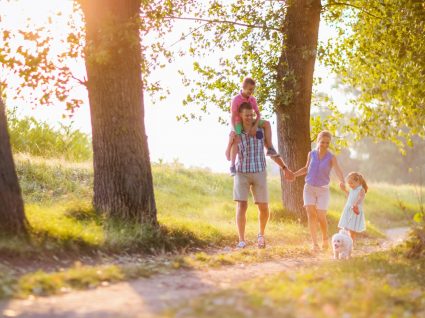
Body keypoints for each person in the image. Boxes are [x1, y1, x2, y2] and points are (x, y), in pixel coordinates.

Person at [233, 102, 294, 249]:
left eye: (251, 114)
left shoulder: (261, 129)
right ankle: (241, 240)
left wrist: (284, 168)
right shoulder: (237, 131)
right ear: (240, 115)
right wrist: (230, 144)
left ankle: (261, 235)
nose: (249, 117)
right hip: (242, 172)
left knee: (264, 207)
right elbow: (229, 154)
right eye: (246, 115)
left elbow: (271, 150)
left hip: (259, 171)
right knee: (242, 205)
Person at [293, 130, 346, 252]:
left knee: (321, 216)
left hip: (323, 190)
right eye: (323, 142)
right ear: (318, 141)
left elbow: (338, 170)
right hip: (309, 188)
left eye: (327, 143)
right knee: (311, 213)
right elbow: (306, 169)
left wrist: (342, 181)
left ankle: (324, 238)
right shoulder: (311, 154)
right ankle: (315, 244)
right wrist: (294, 175)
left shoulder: (331, 157)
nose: (325, 145)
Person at [225, 77, 279, 176]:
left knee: (266, 124)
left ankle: (270, 148)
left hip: (250, 120)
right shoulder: (236, 100)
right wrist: (235, 131)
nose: (251, 92)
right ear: (244, 87)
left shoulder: (252, 99)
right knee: (237, 139)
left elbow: (258, 114)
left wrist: (254, 127)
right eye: (250, 89)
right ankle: (232, 165)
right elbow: (233, 116)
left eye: (253, 90)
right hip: (238, 122)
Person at [338, 172, 368, 243]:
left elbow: (361, 197)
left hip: (355, 210)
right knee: (345, 227)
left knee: (352, 229)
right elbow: (350, 196)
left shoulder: (361, 189)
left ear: (358, 181)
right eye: (349, 183)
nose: (350, 185)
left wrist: (356, 203)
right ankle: (346, 242)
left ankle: (351, 243)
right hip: (348, 209)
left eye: (351, 183)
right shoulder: (352, 189)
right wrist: (344, 190)